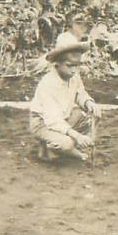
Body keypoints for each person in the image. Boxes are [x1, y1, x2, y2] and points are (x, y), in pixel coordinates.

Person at [29, 32, 102, 161]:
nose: (74, 70)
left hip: (64, 116)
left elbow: (80, 93)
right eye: (69, 65)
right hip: (43, 123)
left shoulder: (74, 76)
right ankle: (59, 150)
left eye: (77, 65)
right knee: (67, 143)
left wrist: (88, 103)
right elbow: (53, 120)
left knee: (88, 118)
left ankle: (53, 145)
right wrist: (77, 136)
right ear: (57, 64)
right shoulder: (48, 84)